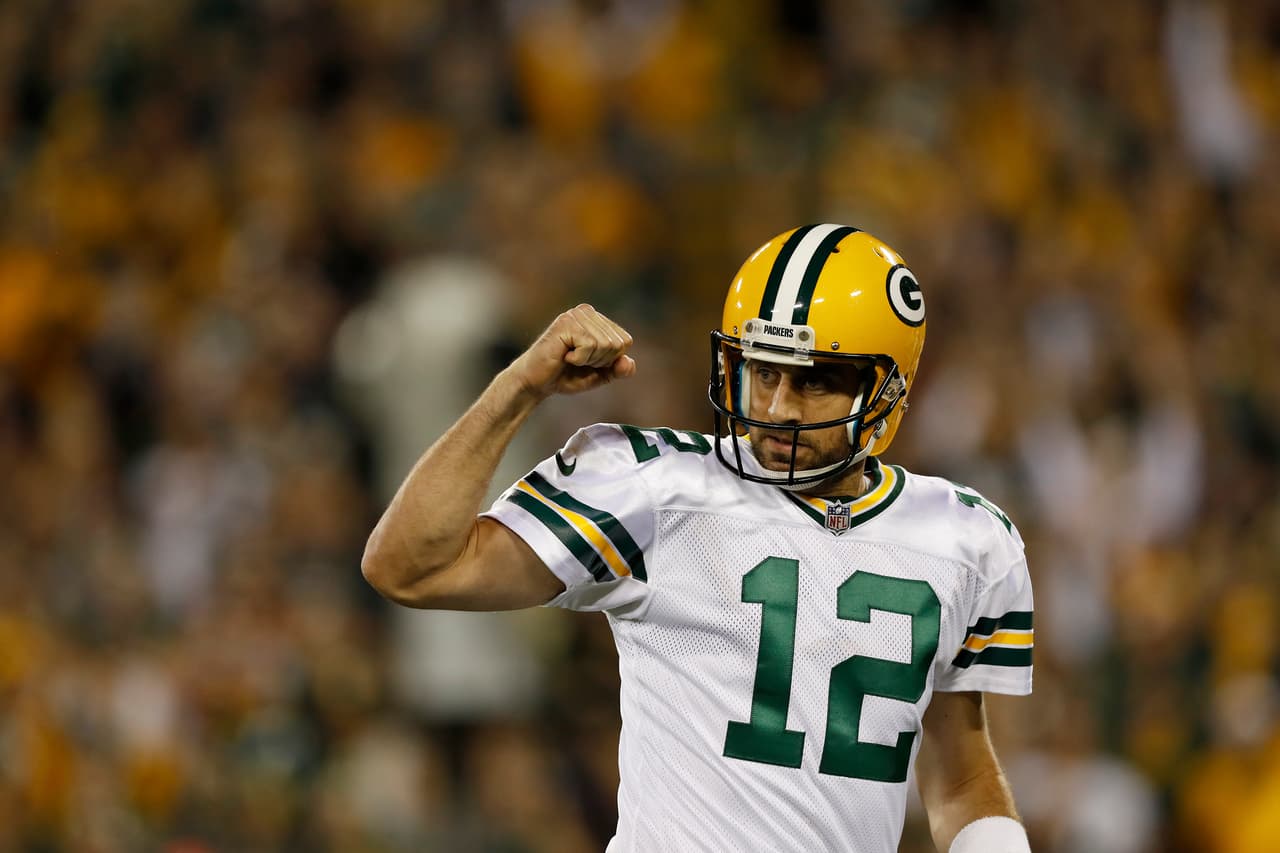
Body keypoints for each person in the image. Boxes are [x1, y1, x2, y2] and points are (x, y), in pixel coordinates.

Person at [362, 224, 1034, 853]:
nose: (776, 407)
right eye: (763, 370)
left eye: (814, 380)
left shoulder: (965, 539)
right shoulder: (654, 487)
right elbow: (409, 567)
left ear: (887, 389)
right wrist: (517, 388)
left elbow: (961, 777)